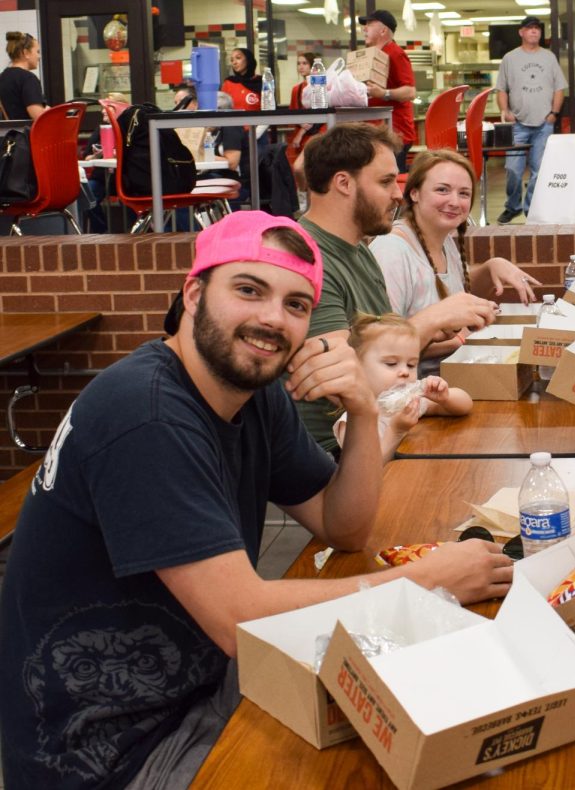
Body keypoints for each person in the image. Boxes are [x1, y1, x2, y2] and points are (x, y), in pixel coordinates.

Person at [0, 211, 513, 789]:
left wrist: (367, 410)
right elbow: (238, 619)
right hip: (113, 754)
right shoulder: (146, 415)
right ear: (194, 293)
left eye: (297, 304)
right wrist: (431, 580)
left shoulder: (254, 393)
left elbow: (340, 526)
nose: (273, 318)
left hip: (200, 688)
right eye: (249, 290)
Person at [296, 124, 498, 451]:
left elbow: (382, 358)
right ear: (343, 183)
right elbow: (341, 382)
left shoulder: (359, 249)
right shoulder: (305, 259)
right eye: (386, 181)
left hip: (382, 429)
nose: (398, 194)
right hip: (334, 451)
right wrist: (430, 320)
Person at [370, 149, 540, 375]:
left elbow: (453, 295)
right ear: (414, 193)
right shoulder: (391, 251)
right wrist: (452, 340)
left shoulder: (445, 240)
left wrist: (491, 268)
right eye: (442, 190)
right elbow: (381, 349)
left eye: (464, 193)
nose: (454, 201)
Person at [337, 312, 473, 460]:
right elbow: (363, 472)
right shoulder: (353, 422)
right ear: (358, 367)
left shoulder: (408, 403)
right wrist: (396, 431)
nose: (405, 372)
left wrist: (445, 398)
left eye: (411, 365)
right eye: (391, 364)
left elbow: (465, 405)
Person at [495, 16, 567, 224]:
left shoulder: (549, 57)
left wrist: (553, 113)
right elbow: (502, 89)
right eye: (530, 28)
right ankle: (513, 206)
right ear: (521, 32)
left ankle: (531, 208)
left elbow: (559, 88)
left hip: (544, 124)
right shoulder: (510, 58)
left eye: (537, 29)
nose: (534, 32)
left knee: (539, 171)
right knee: (513, 170)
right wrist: (505, 110)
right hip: (517, 124)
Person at [358, 10, 417, 172]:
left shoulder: (395, 53)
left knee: (392, 184)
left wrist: (384, 93)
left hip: (395, 133)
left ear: (383, 30)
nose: (365, 29)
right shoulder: (372, 55)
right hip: (377, 133)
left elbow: (410, 92)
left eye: (370, 25)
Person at [0, 31, 46, 121]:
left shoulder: (2, 77)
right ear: (26, 53)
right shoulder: (28, 79)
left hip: (8, 133)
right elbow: (37, 115)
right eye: (37, 51)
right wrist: (47, 110)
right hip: (26, 134)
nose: (39, 56)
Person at [288, 51, 321, 153]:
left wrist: (301, 131)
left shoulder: (320, 85)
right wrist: (299, 122)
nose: (301, 67)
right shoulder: (296, 89)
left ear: (313, 65)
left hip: (318, 134)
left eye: (305, 63)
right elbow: (291, 113)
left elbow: (319, 114)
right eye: (298, 63)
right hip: (300, 135)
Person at [221, 46, 262, 111]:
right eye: (232, 60)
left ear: (248, 59)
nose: (234, 62)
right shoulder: (229, 83)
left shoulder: (261, 82)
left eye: (238, 58)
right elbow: (221, 109)